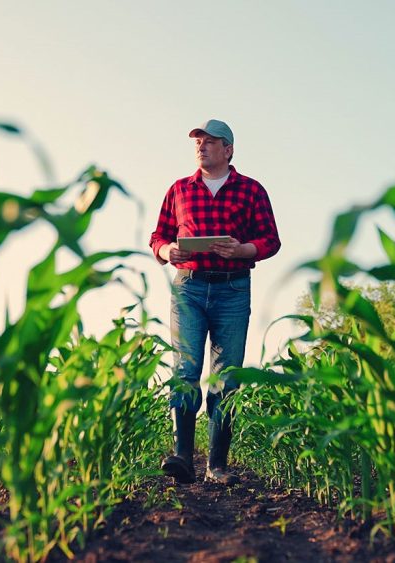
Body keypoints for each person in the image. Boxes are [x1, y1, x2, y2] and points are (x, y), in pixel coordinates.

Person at [149, 119, 281, 485]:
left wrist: (242, 249)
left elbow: (271, 239)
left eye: (210, 142)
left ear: (229, 150)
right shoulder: (179, 189)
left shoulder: (251, 190)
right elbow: (158, 235)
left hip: (233, 290)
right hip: (188, 287)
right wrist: (167, 250)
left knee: (226, 379)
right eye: (198, 142)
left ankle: (217, 466)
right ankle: (182, 458)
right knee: (185, 372)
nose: (201, 146)